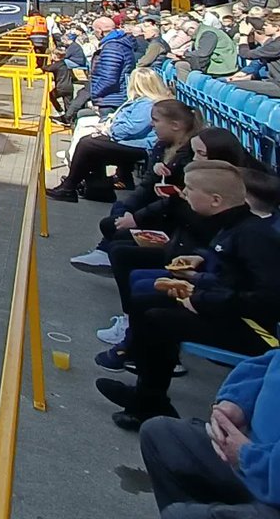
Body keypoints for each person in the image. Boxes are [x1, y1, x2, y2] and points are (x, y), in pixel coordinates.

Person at [95, 161, 280, 431]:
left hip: (256, 329)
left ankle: (148, 404)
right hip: (230, 308)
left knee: (158, 319)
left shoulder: (253, 235)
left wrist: (201, 300)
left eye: (191, 189)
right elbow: (234, 272)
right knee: (143, 301)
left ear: (216, 200)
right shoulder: (233, 224)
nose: (183, 192)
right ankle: (147, 395)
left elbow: (268, 301)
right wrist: (201, 263)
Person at [140, 348, 280, 519]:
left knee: (180, 515)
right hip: (255, 460)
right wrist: (236, 401)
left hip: (270, 479)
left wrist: (246, 456)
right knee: (159, 434)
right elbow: (269, 362)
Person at [71, 99, 201, 277]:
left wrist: (137, 218)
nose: (151, 124)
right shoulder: (161, 146)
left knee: (113, 228)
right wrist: (129, 209)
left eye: (155, 120)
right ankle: (104, 252)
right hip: (159, 206)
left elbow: (175, 201)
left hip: (172, 215)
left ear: (175, 125)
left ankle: (109, 255)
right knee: (120, 208)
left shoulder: (189, 154)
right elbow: (147, 185)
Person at [48, 69, 169, 203]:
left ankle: (70, 187)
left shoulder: (147, 104)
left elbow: (131, 128)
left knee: (88, 144)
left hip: (139, 146)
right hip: (131, 141)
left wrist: (111, 129)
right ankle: (96, 187)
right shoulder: (143, 101)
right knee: (91, 142)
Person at [89, 16, 138, 117]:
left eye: (94, 31)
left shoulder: (112, 48)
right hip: (117, 96)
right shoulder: (120, 43)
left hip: (111, 99)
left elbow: (109, 78)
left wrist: (95, 94)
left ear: (99, 31)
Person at [177, 14, 240, 81]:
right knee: (182, 64)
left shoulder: (207, 34)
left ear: (192, 28)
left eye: (187, 32)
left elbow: (203, 53)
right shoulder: (203, 31)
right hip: (217, 63)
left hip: (221, 66)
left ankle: (187, 88)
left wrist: (184, 54)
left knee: (181, 66)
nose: (187, 35)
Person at [231, 13, 280, 98]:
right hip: (273, 81)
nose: (264, 27)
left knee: (231, 85)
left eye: (266, 25)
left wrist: (244, 35)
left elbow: (245, 54)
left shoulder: (276, 45)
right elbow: (259, 61)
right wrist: (248, 76)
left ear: (277, 28)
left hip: (277, 85)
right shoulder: (273, 43)